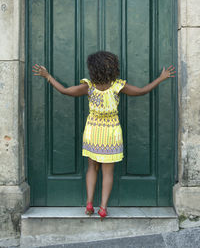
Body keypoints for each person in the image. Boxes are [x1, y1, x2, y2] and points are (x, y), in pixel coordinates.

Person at [32, 51, 176, 220]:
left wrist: (47, 76)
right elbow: (142, 91)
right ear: (112, 68)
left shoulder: (89, 87)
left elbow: (65, 91)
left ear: (93, 69)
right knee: (108, 173)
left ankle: (89, 203)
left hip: (93, 132)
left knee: (92, 167)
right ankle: (103, 208)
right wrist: (161, 78)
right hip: (111, 133)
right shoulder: (118, 86)